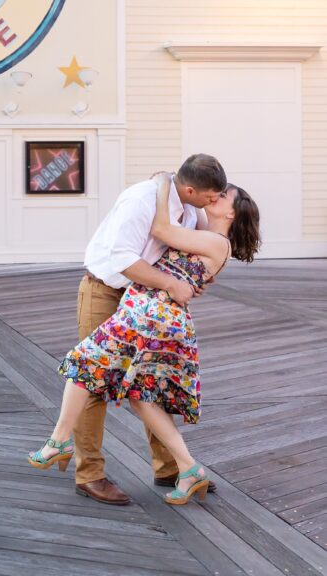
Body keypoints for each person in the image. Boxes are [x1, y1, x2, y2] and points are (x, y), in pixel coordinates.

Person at [27, 168, 261, 506]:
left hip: (149, 313)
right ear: (193, 188)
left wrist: (163, 183)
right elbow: (163, 252)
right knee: (142, 394)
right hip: (121, 295)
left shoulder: (204, 229)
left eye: (223, 195)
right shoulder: (184, 214)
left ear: (231, 212)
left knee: (86, 367)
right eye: (215, 191)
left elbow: (163, 232)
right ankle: (177, 468)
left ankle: (61, 442)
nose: (216, 196)